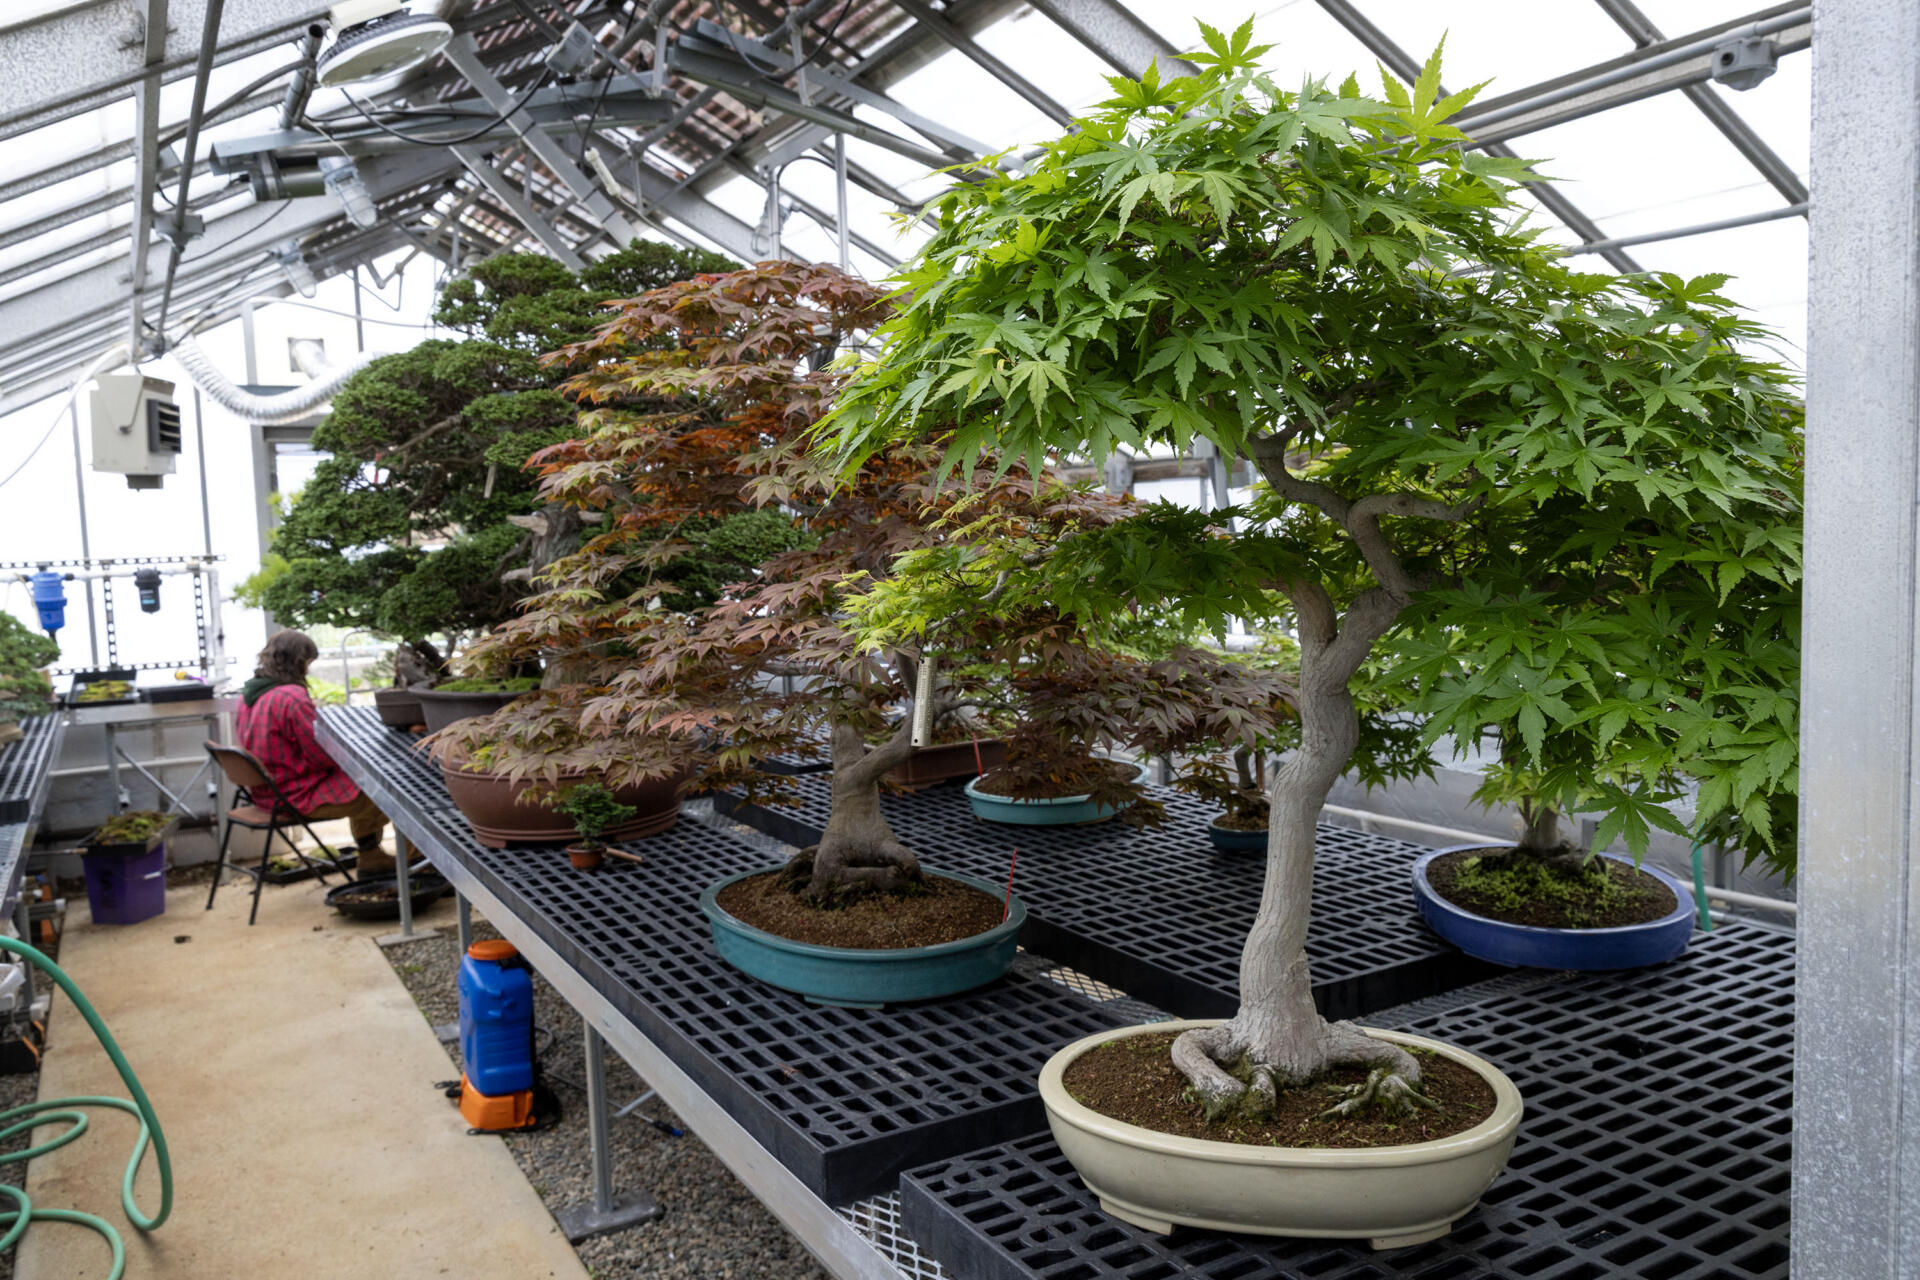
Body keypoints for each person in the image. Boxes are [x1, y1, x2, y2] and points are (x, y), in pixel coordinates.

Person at [236, 630, 395, 875]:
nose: (309, 670)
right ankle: (412, 863)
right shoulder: (292, 697)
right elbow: (320, 755)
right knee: (383, 789)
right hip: (295, 793)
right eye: (308, 663)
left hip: (266, 791)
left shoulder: (249, 695)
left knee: (366, 782)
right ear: (298, 662)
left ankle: (372, 857)